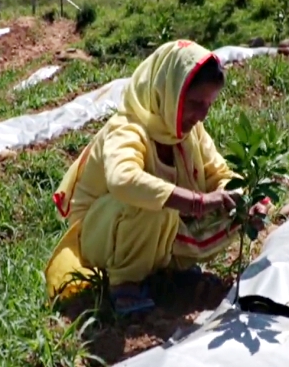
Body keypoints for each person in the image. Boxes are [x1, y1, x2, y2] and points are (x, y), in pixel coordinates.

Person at [44, 39, 268, 315]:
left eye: (208, 104)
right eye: (196, 102)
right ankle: (126, 284)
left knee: (231, 205)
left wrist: (246, 199)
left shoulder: (189, 132)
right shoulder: (127, 129)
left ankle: (170, 271)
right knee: (152, 204)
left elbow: (219, 174)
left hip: (154, 228)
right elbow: (122, 180)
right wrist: (197, 202)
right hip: (102, 235)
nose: (202, 115)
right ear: (168, 92)